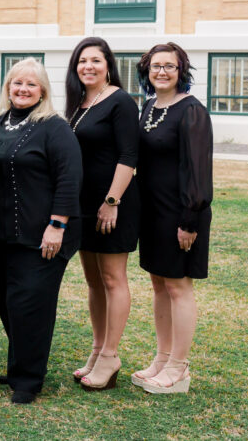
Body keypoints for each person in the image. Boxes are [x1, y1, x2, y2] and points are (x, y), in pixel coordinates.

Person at [0, 58, 82, 404]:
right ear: (7, 87)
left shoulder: (55, 127)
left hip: (42, 235)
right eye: (17, 83)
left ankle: (27, 380)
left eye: (31, 84)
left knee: (31, 305)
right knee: (7, 302)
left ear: (43, 91)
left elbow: (69, 178)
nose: (22, 89)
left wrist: (57, 224)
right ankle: (19, 365)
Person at [132, 42, 212, 395]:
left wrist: (189, 220)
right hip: (152, 211)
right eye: (155, 66)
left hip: (181, 212)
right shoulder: (149, 106)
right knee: (159, 284)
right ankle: (162, 358)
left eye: (169, 66)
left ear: (181, 71)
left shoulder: (192, 111)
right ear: (147, 71)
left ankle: (179, 367)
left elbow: (198, 169)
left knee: (178, 286)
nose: (161, 72)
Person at [63, 37, 141, 391]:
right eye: (82, 61)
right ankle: (97, 351)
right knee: (93, 281)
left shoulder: (120, 101)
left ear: (108, 65)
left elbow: (129, 155)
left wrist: (111, 202)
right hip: (82, 204)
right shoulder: (79, 103)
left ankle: (111, 355)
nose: (88, 66)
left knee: (112, 279)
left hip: (112, 203)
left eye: (95, 60)